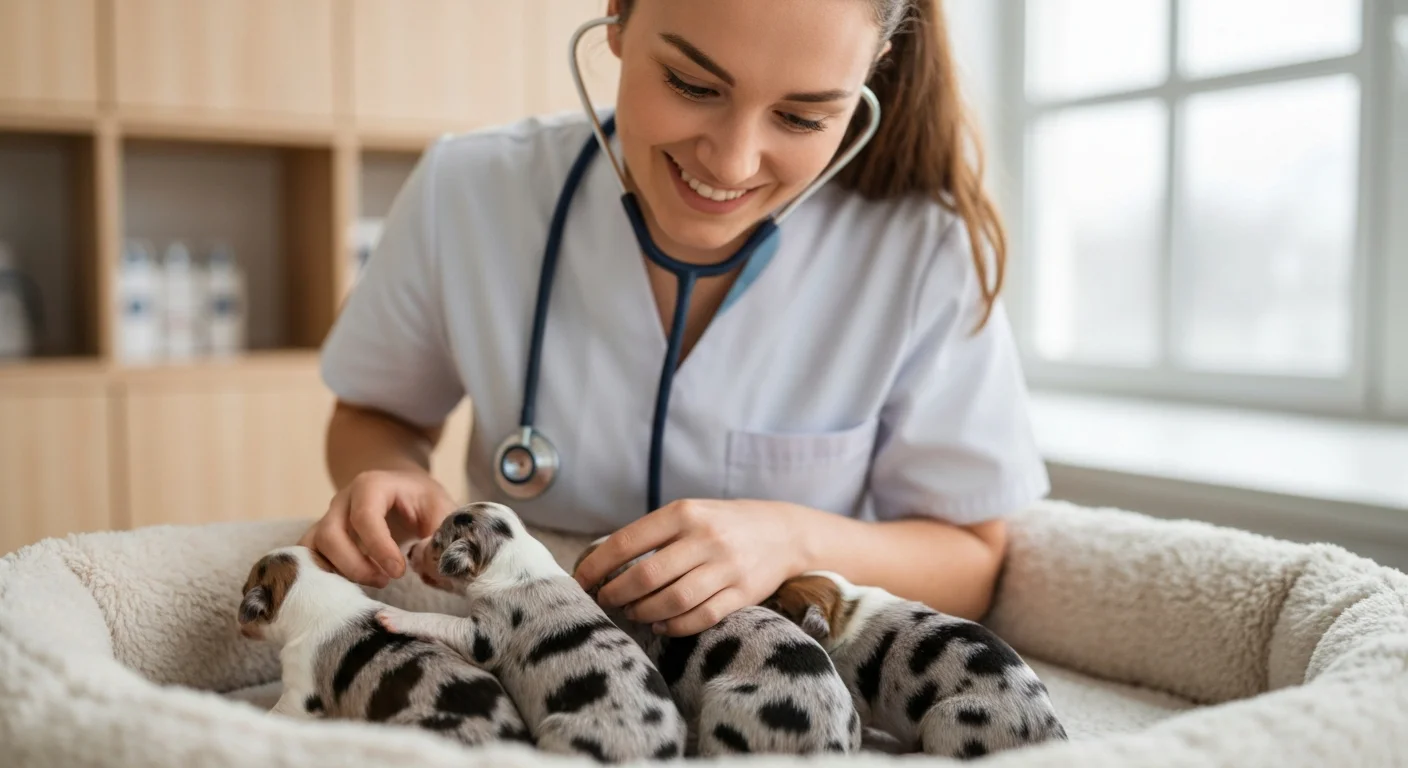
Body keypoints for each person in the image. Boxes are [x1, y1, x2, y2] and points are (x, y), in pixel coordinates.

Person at [302, 0, 1049, 638]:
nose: (730, 163)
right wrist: (390, 476)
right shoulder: (466, 191)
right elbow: (376, 411)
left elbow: (973, 555)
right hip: (530, 660)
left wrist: (789, 540)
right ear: (618, 16)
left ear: (873, 70)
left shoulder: (919, 250)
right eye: (693, 84)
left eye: (802, 115)